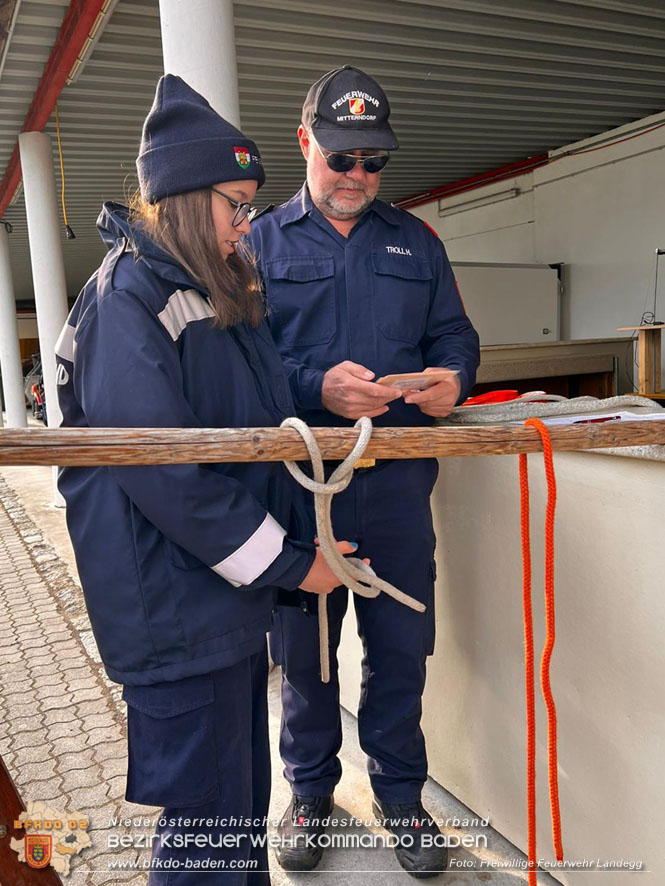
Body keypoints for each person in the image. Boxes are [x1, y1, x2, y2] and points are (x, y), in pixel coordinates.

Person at [55, 74, 359, 885]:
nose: (244, 226)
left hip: (212, 602)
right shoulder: (131, 300)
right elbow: (172, 477)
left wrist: (308, 538)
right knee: (207, 835)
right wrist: (296, 564)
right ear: (188, 201)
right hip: (171, 611)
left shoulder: (199, 292)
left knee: (230, 816)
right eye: (236, 205)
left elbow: (253, 427)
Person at [248, 65, 481, 877]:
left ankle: (401, 797)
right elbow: (231, 367)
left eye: (372, 161)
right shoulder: (254, 244)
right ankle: (311, 792)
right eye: (339, 157)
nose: (356, 177)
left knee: (398, 644)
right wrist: (313, 386)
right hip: (302, 491)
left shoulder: (415, 241)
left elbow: (454, 336)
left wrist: (453, 377)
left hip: (394, 487)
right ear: (304, 141)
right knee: (308, 649)